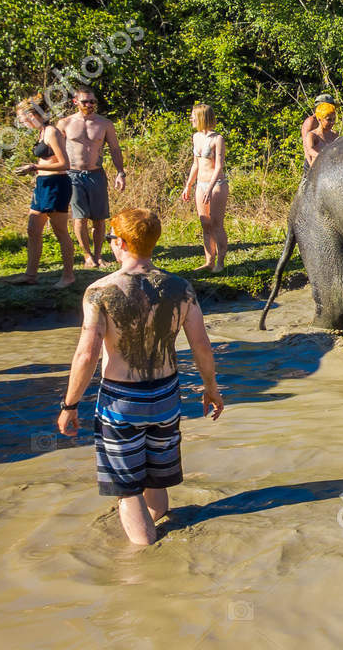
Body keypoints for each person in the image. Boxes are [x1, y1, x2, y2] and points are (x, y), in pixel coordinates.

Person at [57, 208, 223, 547]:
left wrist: (69, 404)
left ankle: (144, 566)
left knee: (127, 489)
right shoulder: (180, 288)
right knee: (155, 479)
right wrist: (210, 389)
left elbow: (86, 355)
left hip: (122, 400)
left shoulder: (100, 291)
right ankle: (157, 524)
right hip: (165, 397)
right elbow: (202, 346)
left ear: (119, 243)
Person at [56, 86, 127, 269]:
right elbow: (55, 150)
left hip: (96, 173)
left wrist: (120, 172)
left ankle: (98, 255)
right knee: (80, 218)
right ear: (75, 102)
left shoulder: (104, 124)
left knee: (99, 218)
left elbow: (114, 149)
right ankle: (87, 256)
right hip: (72, 174)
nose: (89, 105)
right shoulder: (65, 123)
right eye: (85, 101)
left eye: (92, 101)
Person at [8, 98, 76, 286]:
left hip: (57, 185)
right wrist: (37, 171)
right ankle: (30, 275)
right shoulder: (41, 132)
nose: (22, 124)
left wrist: (33, 166)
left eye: (22, 120)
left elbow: (65, 164)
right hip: (43, 184)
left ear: (32, 116)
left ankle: (68, 276)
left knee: (60, 231)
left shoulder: (52, 132)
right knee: (33, 229)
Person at [179, 103, 228, 272]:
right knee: (205, 224)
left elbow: (219, 166)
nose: (191, 118)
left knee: (216, 224)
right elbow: (196, 164)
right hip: (201, 184)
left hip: (217, 185)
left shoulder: (217, 139)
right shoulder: (196, 137)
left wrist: (210, 188)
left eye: (193, 115)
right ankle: (209, 262)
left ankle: (220, 263)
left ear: (202, 117)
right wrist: (188, 185)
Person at [299, 92, 334, 167]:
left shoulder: (329, 120)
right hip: (314, 161)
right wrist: (311, 164)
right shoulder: (311, 121)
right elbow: (306, 146)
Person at [302, 102, 338, 172]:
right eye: (329, 119)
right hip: (316, 171)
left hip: (331, 169)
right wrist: (323, 156)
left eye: (334, 119)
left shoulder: (335, 134)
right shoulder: (312, 135)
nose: (332, 122)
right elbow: (310, 150)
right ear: (319, 119)